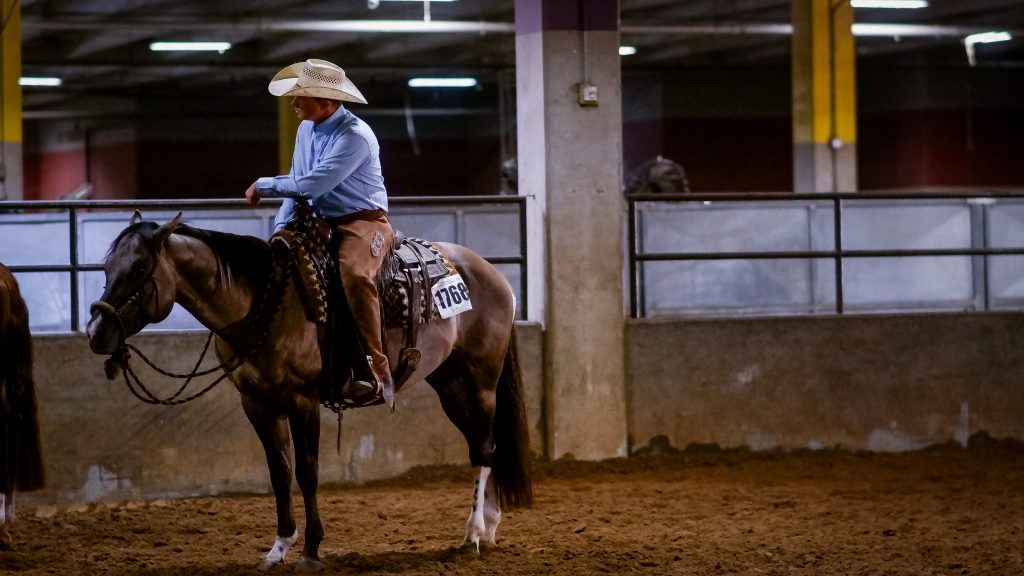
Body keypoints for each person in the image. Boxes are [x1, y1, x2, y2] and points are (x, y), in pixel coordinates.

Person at [244, 59, 394, 407]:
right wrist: (280, 230)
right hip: (317, 220)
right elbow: (299, 184)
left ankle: (375, 370)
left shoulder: (355, 136)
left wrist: (264, 184)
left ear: (325, 103)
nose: (294, 104)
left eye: (301, 98)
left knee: (354, 275)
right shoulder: (306, 130)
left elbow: (313, 184)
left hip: (363, 222)